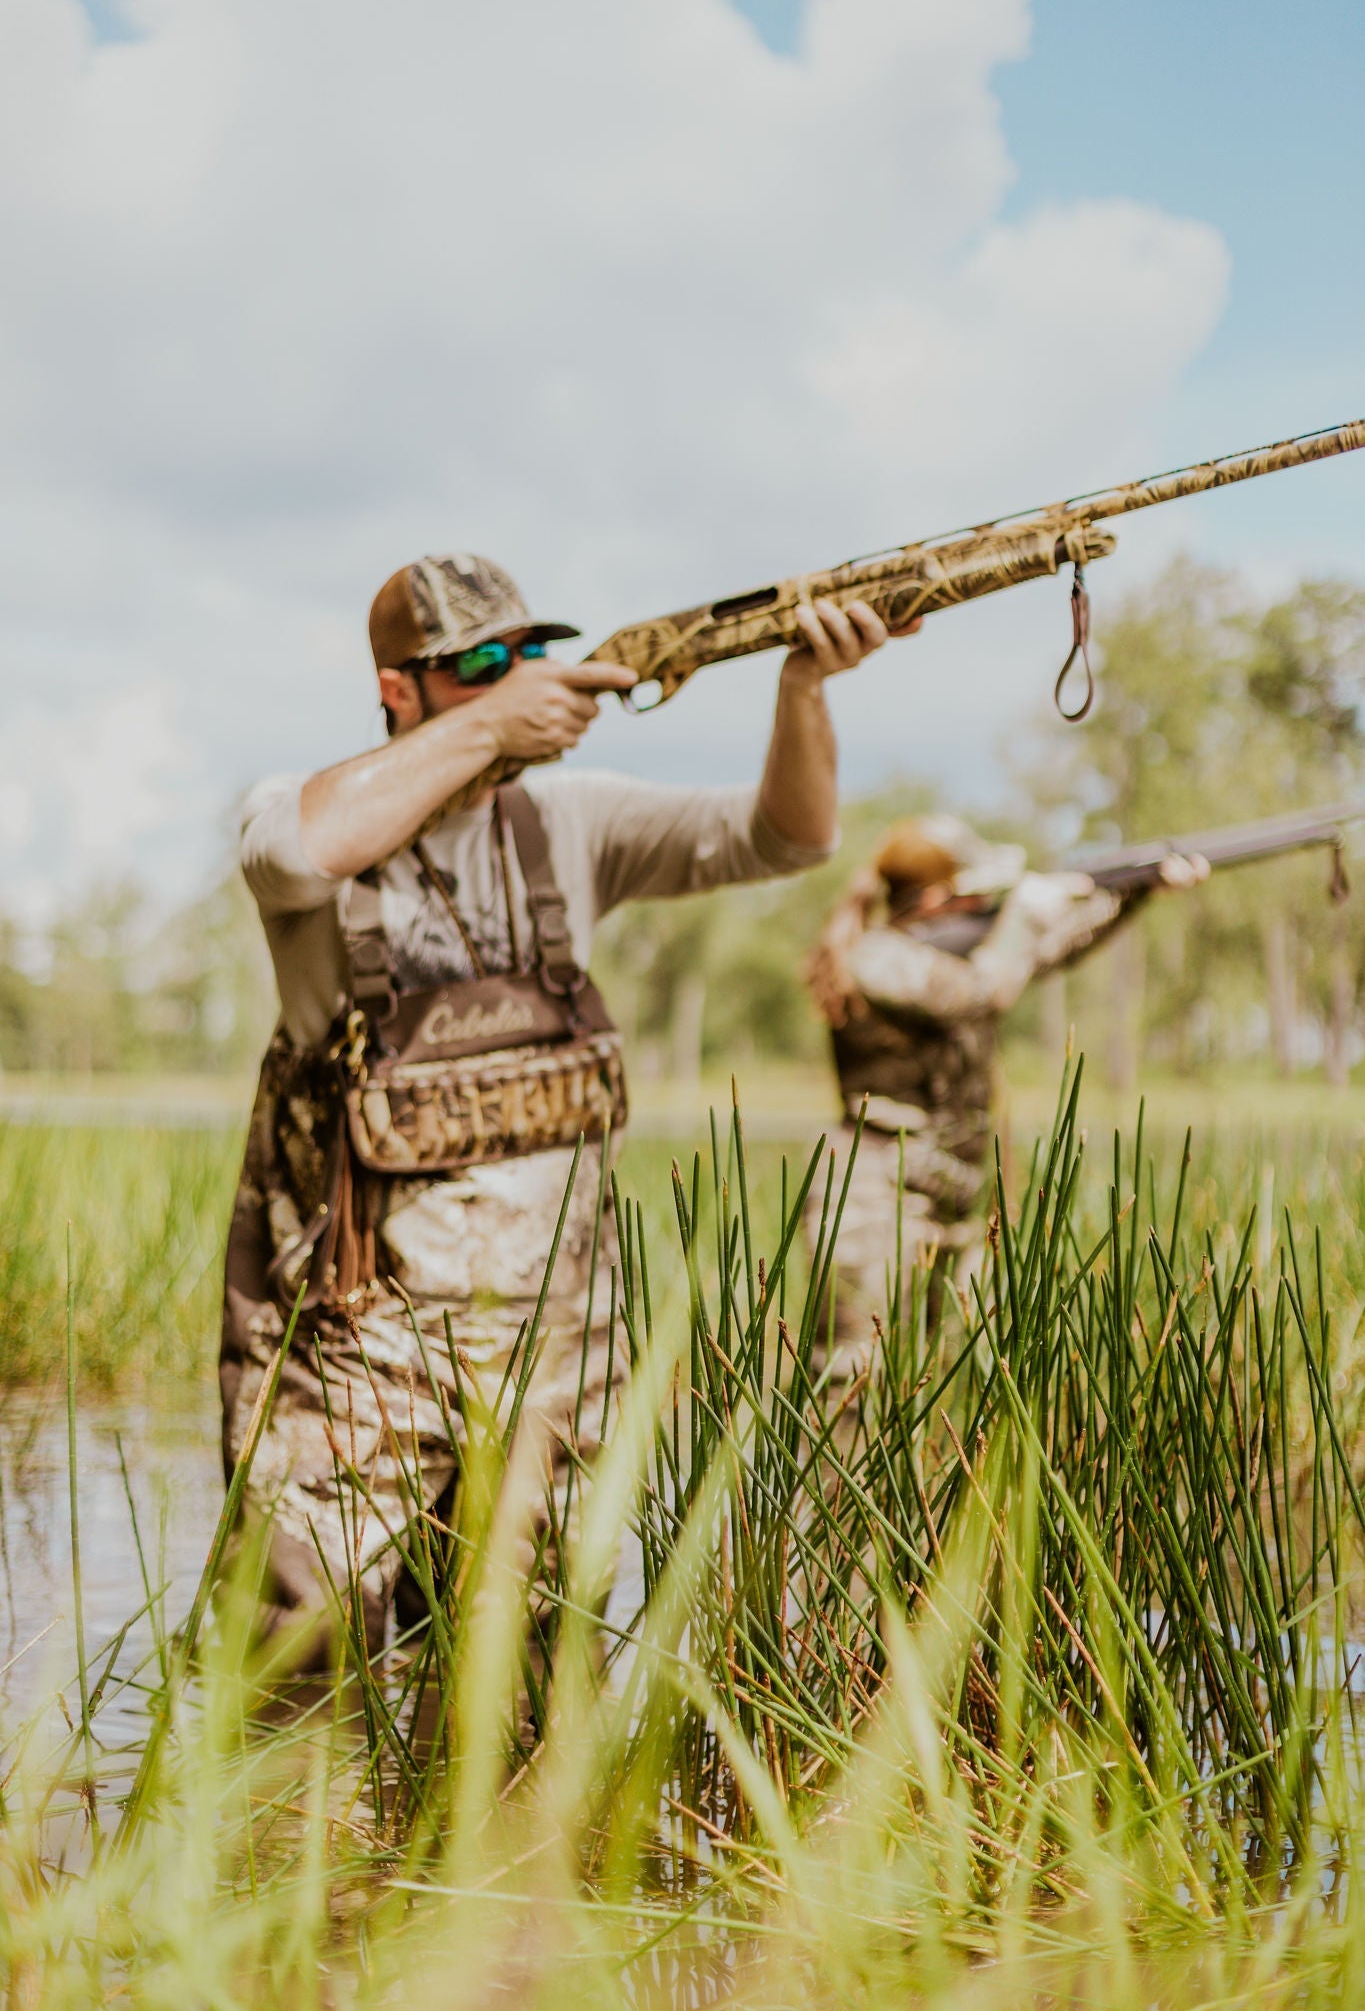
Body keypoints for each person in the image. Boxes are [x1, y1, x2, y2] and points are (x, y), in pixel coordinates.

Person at [223, 550, 915, 1657]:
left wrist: (803, 688)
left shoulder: (569, 822)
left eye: (529, 655)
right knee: (295, 1663)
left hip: (555, 1347)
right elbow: (301, 850)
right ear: (397, 689)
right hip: (355, 1341)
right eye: (477, 664)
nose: (515, 680)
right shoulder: (304, 812)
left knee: (534, 1671)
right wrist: (498, 725)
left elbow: (790, 835)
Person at [803, 813, 1208, 1373]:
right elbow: (983, 992)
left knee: (935, 1381)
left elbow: (1053, 949)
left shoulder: (962, 952)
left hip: (950, 1200)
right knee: (854, 1383)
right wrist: (1022, 914)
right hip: (874, 1205)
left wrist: (1137, 890)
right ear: (941, 894)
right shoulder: (877, 957)